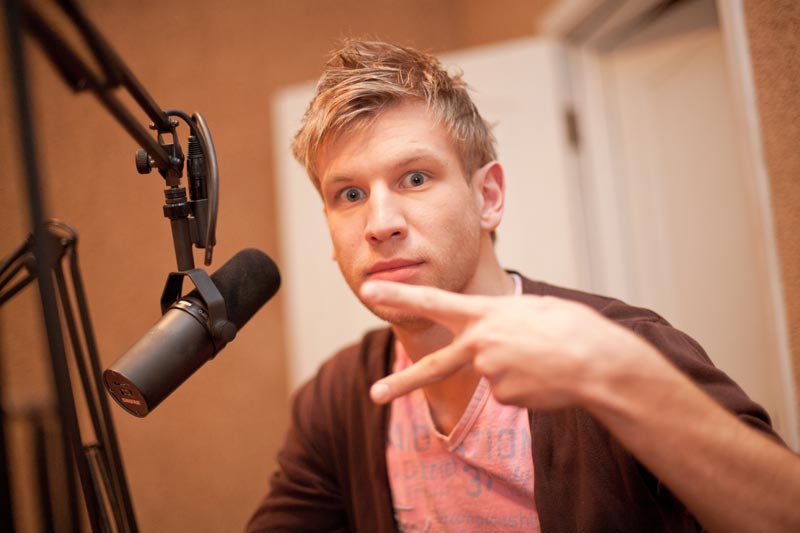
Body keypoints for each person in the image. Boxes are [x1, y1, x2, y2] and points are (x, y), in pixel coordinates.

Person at [247, 40, 800, 532]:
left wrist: (617, 380)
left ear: (487, 198)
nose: (379, 223)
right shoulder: (338, 396)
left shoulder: (624, 345)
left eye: (415, 178)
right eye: (349, 195)